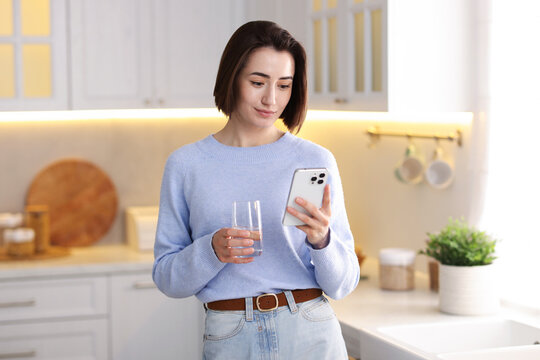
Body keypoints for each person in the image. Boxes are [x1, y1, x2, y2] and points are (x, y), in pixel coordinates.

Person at [153, 20, 359, 359]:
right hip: (231, 335)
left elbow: (343, 283)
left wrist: (322, 240)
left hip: (311, 330)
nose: (271, 99)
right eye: (258, 82)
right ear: (232, 78)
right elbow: (166, 277)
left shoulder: (313, 160)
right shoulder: (187, 165)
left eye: (284, 85)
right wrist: (211, 251)